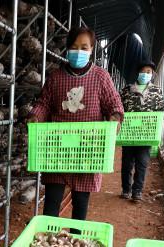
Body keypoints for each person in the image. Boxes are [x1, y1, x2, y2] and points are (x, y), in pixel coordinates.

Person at [28, 26, 124, 220]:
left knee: (80, 203)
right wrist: (35, 116)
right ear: (67, 48)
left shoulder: (101, 77)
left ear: (91, 50)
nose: (78, 51)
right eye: (74, 46)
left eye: (84, 47)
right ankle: (47, 242)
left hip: (87, 148)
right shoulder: (55, 78)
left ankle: (76, 240)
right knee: (52, 202)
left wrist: (115, 117)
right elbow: (44, 103)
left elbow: (114, 104)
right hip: (57, 148)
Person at [119, 60, 164, 201]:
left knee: (142, 163)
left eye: (149, 72)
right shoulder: (127, 90)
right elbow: (119, 107)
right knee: (127, 163)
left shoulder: (156, 91)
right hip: (128, 133)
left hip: (146, 133)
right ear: (138, 73)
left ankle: (137, 192)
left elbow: (162, 107)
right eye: (143, 71)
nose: (145, 74)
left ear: (152, 74)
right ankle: (126, 190)